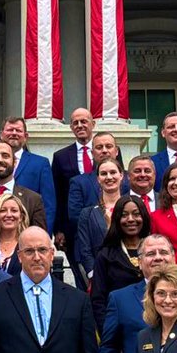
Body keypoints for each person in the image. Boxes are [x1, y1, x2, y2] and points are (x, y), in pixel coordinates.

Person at [0, 117, 56, 233]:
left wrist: (43, 236)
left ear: (26, 136)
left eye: (18, 130)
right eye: (10, 130)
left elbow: (48, 206)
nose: (14, 133)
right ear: (1, 134)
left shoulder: (41, 163)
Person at [90, 195, 152, 325]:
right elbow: (98, 300)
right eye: (124, 215)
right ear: (117, 219)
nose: (131, 219)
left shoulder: (156, 250)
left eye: (136, 214)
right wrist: (107, 330)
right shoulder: (106, 255)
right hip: (119, 326)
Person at [50, 107, 96, 252]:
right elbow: (56, 195)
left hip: (104, 225)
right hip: (72, 229)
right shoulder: (60, 157)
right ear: (71, 127)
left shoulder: (106, 151)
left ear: (93, 124)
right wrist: (58, 229)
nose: (80, 125)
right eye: (75, 123)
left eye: (84, 121)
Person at [73, 156, 125, 274]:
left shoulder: (132, 208)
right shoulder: (87, 214)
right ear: (98, 179)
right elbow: (85, 249)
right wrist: (94, 275)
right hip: (100, 274)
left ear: (121, 175)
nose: (109, 177)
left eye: (113, 172)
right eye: (103, 174)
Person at [66, 131, 129, 226]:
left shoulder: (130, 179)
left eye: (108, 146)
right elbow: (75, 217)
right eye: (99, 147)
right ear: (92, 153)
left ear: (116, 151)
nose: (104, 150)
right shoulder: (78, 182)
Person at [0, 141, 47, 230]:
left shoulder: (33, 199)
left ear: (15, 163)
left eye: (5, 156)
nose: (0, 160)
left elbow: (39, 235)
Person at [0, 193, 30, 276]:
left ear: (21, 217)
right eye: (3, 211)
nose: (9, 215)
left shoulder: (28, 245)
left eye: (14, 211)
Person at [126, 154, 158, 219]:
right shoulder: (120, 201)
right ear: (128, 175)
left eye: (147, 171)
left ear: (154, 175)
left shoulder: (166, 201)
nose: (143, 175)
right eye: (137, 171)